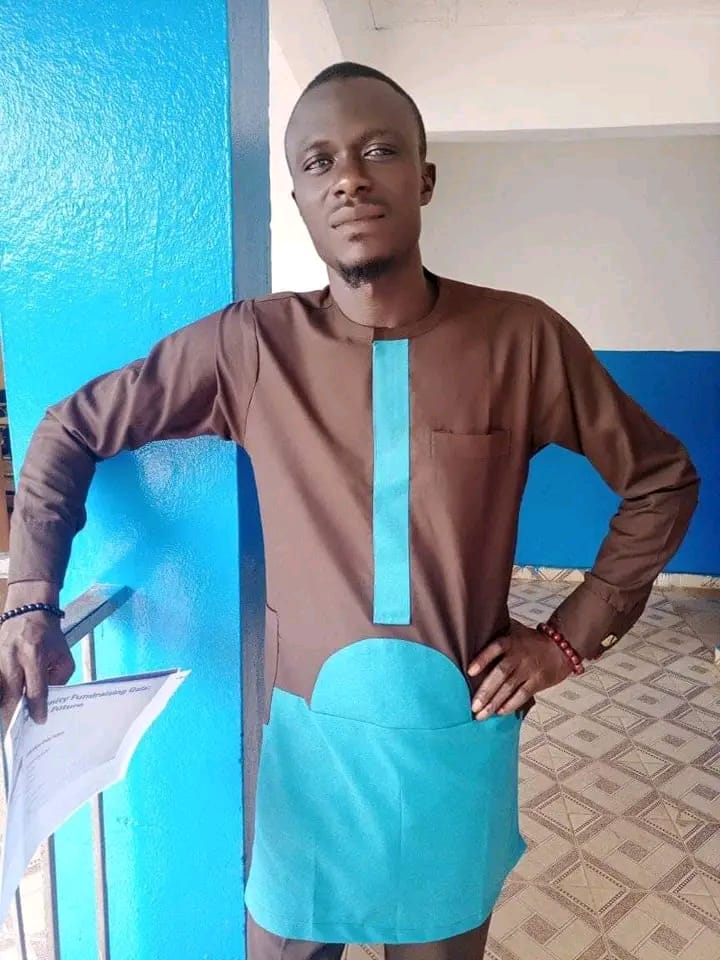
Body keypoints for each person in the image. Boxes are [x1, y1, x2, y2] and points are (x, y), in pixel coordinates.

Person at [0, 62, 699, 960]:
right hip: (307, 759)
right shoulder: (252, 346)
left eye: (378, 151)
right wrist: (29, 597)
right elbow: (68, 429)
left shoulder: (521, 340)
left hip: (454, 746)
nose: (350, 180)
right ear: (297, 198)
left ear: (425, 178)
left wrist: (567, 640)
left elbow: (662, 479)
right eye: (319, 162)